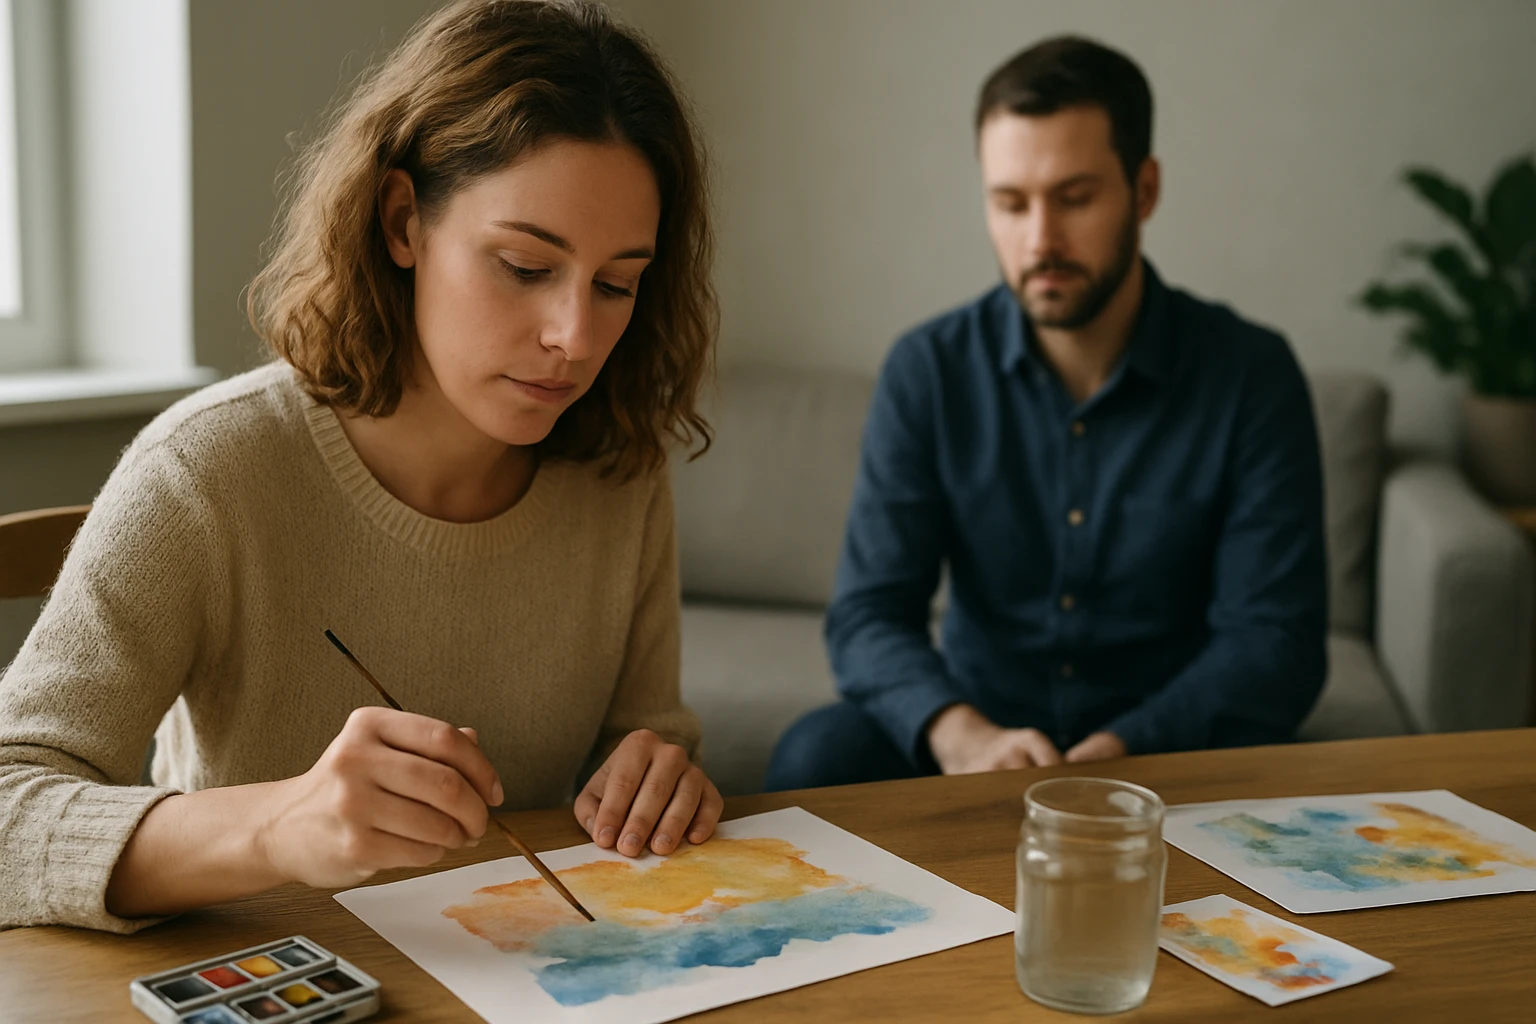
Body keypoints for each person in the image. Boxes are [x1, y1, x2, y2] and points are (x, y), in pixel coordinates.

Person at [0, 0, 723, 932]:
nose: (575, 338)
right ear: (401, 221)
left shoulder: (619, 472)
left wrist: (657, 775)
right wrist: (276, 828)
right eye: (523, 266)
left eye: (618, 283)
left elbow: (645, 738)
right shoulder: (207, 473)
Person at [766, 36, 1328, 789]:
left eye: (1075, 198)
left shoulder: (1252, 374)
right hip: (983, 731)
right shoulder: (928, 370)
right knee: (815, 754)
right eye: (1010, 204)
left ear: (1145, 190)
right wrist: (963, 738)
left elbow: (1275, 641)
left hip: (1171, 746)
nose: (1040, 240)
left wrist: (1129, 747)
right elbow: (868, 615)